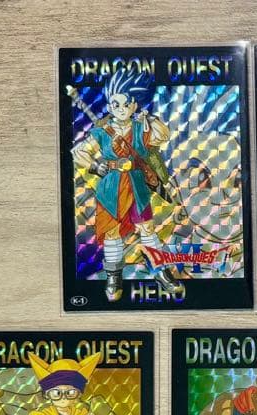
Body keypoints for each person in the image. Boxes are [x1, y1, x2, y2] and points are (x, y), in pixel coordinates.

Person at [72, 70, 178, 301]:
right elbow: (79, 154)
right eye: (115, 104)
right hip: (111, 189)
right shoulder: (102, 132)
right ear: (109, 107)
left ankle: (161, 271)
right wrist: (97, 167)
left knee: (147, 230)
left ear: (134, 105)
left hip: (138, 187)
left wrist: (149, 119)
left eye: (126, 104)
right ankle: (114, 277)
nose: (121, 109)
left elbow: (163, 135)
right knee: (112, 234)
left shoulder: (141, 127)